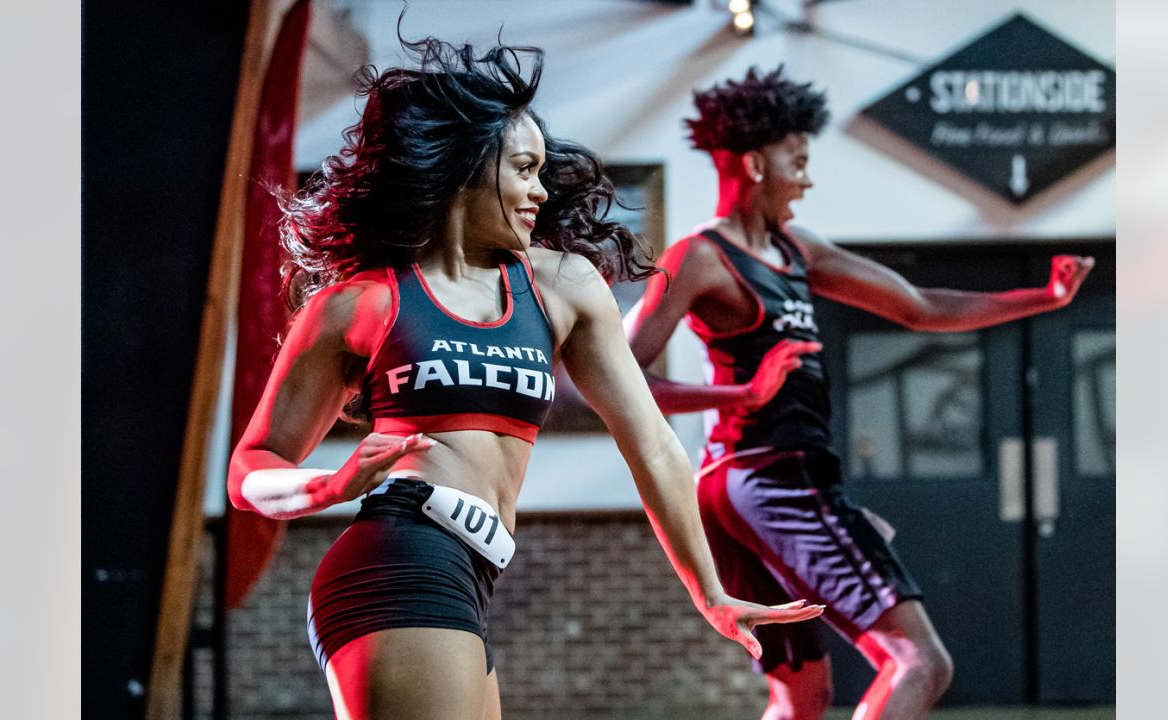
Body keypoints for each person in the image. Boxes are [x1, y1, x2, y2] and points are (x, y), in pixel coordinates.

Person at [226, 38, 823, 720]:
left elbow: (652, 444)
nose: (541, 190)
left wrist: (707, 588)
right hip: (395, 563)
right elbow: (250, 468)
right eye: (524, 168)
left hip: (471, 575)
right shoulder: (361, 303)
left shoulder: (560, 284)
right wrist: (321, 486)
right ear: (466, 168)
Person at [624, 66, 1094, 720]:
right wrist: (739, 395)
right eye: (800, 161)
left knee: (803, 695)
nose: (809, 178)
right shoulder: (699, 257)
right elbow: (614, 378)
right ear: (758, 164)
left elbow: (920, 307)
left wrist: (1042, 298)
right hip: (771, 481)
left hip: (748, 485)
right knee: (920, 663)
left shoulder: (798, 249)